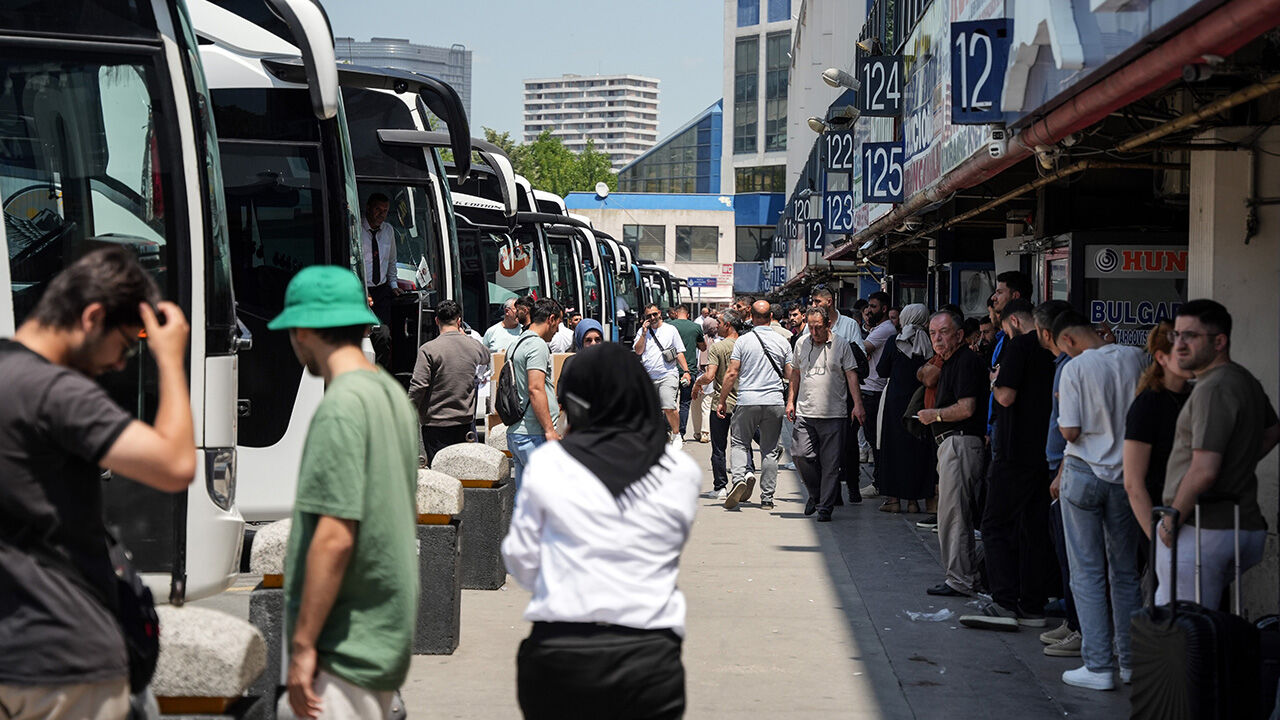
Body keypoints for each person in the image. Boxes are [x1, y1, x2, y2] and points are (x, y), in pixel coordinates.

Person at [0, 248, 195, 720]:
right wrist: (170, 360)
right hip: (67, 661)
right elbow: (174, 463)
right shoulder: (55, 391)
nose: (122, 363)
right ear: (92, 317)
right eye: (127, 344)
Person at [501, 343, 700, 719]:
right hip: (650, 658)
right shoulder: (680, 471)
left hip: (561, 653)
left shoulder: (550, 465)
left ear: (575, 402)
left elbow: (522, 561)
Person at [267, 265, 419, 720]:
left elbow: (335, 536)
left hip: (342, 647)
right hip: (381, 639)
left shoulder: (340, 407)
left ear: (305, 329)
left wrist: (303, 646)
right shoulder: (390, 395)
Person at [1156, 300, 1280, 608]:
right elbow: (1272, 431)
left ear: (1219, 341)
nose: (1180, 344)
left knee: (1180, 631)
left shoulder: (1214, 387)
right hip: (1240, 525)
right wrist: (1236, 465)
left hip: (1205, 527)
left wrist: (1172, 520)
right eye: (1177, 335)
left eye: (1191, 336)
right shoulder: (1242, 378)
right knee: (1207, 629)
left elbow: (1204, 469)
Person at [1053, 309, 1147, 691]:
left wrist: (1062, 413)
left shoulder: (1074, 368)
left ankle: (1097, 665)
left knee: (1087, 572)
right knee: (1125, 572)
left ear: (1069, 340)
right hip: (1127, 475)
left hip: (1084, 472)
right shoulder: (1134, 357)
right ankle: (1130, 662)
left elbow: (1071, 430)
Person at [960, 299, 1055, 631]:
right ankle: (1032, 605)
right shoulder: (1051, 349)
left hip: (1015, 451)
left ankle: (1003, 602)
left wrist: (995, 379)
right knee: (1033, 528)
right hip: (1045, 453)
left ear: (1013, 321)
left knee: (996, 524)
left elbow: (1005, 396)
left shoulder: (1019, 346)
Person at [917, 310, 988, 598]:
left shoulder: (966, 362)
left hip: (960, 442)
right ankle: (964, 574)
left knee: (954, 515)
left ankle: (961, 579)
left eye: (943, 332)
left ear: (959, 335)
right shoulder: (950, 362)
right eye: (933, 333)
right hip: (952, 443)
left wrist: (934, 415)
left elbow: (966, 408)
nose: (937, 338)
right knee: (952, 514)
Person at [1122, 322, 1191, 592]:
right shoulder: (1149, 403)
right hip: (1160, 511)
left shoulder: (1196, 395)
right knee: (1166, 593)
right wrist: (1158, 536)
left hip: (1193, 513)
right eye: (1182, 351)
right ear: (1162, 357)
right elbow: (1134, 482)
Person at [1032, 300, 1081, 657]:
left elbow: (1073, 430)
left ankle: (1081, 628)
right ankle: (1073, 619)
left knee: (1076, 554)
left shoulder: (1073, 370)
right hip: (1060, 467)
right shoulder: (1062, 366)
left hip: (1068, 471)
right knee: (1065, 552)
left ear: (1047, 334)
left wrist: (1062, 469)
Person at [788, 308, 865, 522]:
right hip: (805, 411)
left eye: (818, 327)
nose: (814, 332)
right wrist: (790, 401)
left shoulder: (841, 345)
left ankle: (825, 507)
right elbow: (795, 373)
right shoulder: (801, 343)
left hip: (834, 413)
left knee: (831, 464)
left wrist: (857, 405)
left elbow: (851, 376)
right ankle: (816, 494)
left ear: (828, 325)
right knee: (800, 454)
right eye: (810, 327)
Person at [718, 301, 793, 510]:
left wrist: (722, 400)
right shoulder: (783, 341)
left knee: (739, 443)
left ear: (750, 315)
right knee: (769, 450)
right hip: (774, 402)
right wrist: (791, 401)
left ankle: (739, 479)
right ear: (771, 317)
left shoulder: (743, 341)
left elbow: (732, 373)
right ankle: (767, 498)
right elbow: (790, 375)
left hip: (747, 401)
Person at [408, 300, 490, 465]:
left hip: (435, 422)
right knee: (462, 470)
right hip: (465, 421)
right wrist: (465, 337)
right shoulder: (474, 346)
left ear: (436, 320)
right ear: (459, 320)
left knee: (440, 472)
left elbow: (419, 385)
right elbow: (487, 357)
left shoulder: (428, 349)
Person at [874, 304, 936, 514]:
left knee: (893, 450)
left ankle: (893, 500)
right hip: (920, 403)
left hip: (895, 403)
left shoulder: (895, 341)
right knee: (917, 450)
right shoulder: (930, 342)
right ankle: (913, 501)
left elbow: (882, 370)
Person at [694, 311, 752, 499]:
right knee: (742, 443)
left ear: (728, 325)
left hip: (721, 404)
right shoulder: (747, 345)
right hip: (743, 403)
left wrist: (697, 384)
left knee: (719, 448)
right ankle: (747, 472)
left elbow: (710, 376)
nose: (716, 325)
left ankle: (721, 487)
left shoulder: (718, 348)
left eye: (719, 322)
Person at [507, 299, 563, 490]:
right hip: (534, 434)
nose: (557, 331)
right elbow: (535, 388)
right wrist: (550, 430)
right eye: (558, 324)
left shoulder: (516, 344)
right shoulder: (537, 346)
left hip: (517, 431)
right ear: (551, 319)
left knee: (524, 502)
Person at [633, 303, 691, 448]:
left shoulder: (671, 330)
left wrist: (686, 372)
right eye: (648, 316)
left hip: (668, 374)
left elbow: (678, 352)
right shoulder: (642, 331)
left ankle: (677, 434)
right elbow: (638, 351)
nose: (652, 318)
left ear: (659, 313)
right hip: (648, 376)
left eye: (654, 314)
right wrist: (644, 333)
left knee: (668, 406)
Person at [860, 291, 895, 505]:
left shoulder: (885, 329)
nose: (869, 311)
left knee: (876, 442)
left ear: (883, 308)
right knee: (873, 441)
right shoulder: (877, 329)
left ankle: (880, 483)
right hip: (869, 390)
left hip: (875, 391)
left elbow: (862, 349)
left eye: (873, 307)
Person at [668, 304, 706, 440]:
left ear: (676, 313)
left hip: (670, 370)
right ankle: (681, 433)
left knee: (669, 402)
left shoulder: (668, 325)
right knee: (685, 403)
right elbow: (703, 347)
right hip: (689, 371)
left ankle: (670, 430)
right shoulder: (695, 327)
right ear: (688, 314)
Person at [688, 318, 717, 444]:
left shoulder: (697, 340)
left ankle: (697, 432)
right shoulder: (717, 342)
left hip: (697, 375)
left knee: (695, 405)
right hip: (709, 376)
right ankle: (705, 433)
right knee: (706, 406)